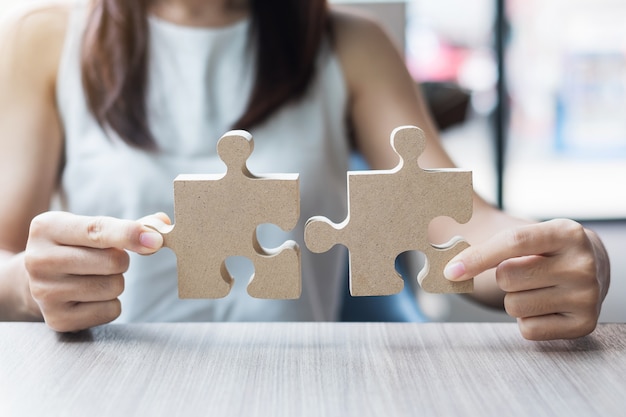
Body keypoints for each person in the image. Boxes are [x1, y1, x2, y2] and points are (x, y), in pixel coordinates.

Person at [0, 0, 609, 340]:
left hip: (302, 391)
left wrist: (553, 259)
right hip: (105, 395)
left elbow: (458, 223)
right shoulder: (46, 41)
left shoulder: (351, 43)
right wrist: (30, 284)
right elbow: (5, 259)